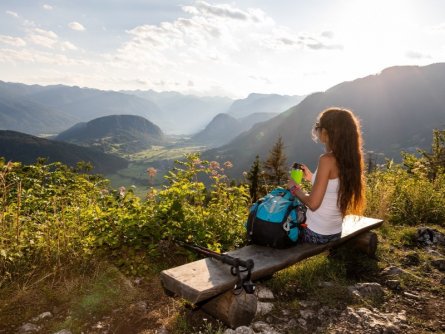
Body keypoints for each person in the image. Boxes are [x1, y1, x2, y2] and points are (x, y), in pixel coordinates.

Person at [287, 107, 366, 244]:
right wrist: (312, 177)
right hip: (335, 231)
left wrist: (293, 188)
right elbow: (333, 187)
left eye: (318, 126)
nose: (317, 130)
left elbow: (313, 204)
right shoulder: (350, 157)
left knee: (280, 216)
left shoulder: (326, 159)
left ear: (326, 132)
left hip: (315, 234)